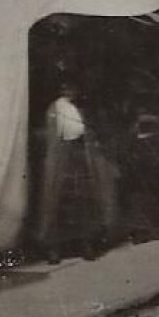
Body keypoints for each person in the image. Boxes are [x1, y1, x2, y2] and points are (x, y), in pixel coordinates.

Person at [36, 81, 103, 262]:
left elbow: (85, 132)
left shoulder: (78, 110)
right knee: (56, 203)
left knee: (82, 201)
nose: (71, 91)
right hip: (60, 160)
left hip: (78, 158)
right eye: (66, 88)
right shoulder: (54, 109)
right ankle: (54, 249)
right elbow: (53, 137)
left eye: (73, 88)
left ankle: (85, 244)